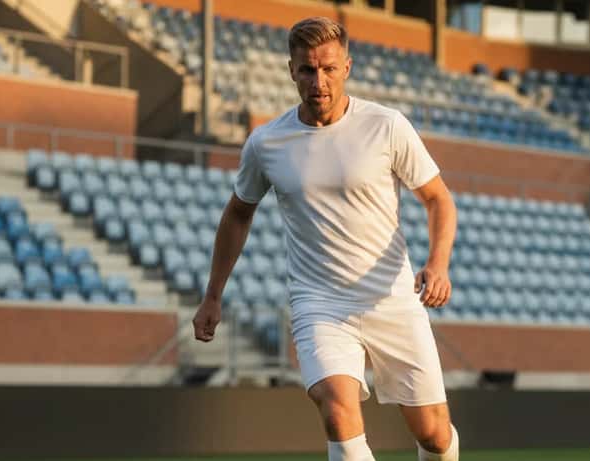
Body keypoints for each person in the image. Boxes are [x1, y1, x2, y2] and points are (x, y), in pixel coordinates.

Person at [193, 16, 459, 461]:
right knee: (338, 413)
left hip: (390, 298)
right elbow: (238, 214)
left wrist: (438, 263)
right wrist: (212, 295)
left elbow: (438, 199)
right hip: (320, 303)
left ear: (347, 67)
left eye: (329, 69)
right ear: (291, 71)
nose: (319, 80)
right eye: (307, 70)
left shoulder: (386, 126)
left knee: (433, 435)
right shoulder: (266, 143)